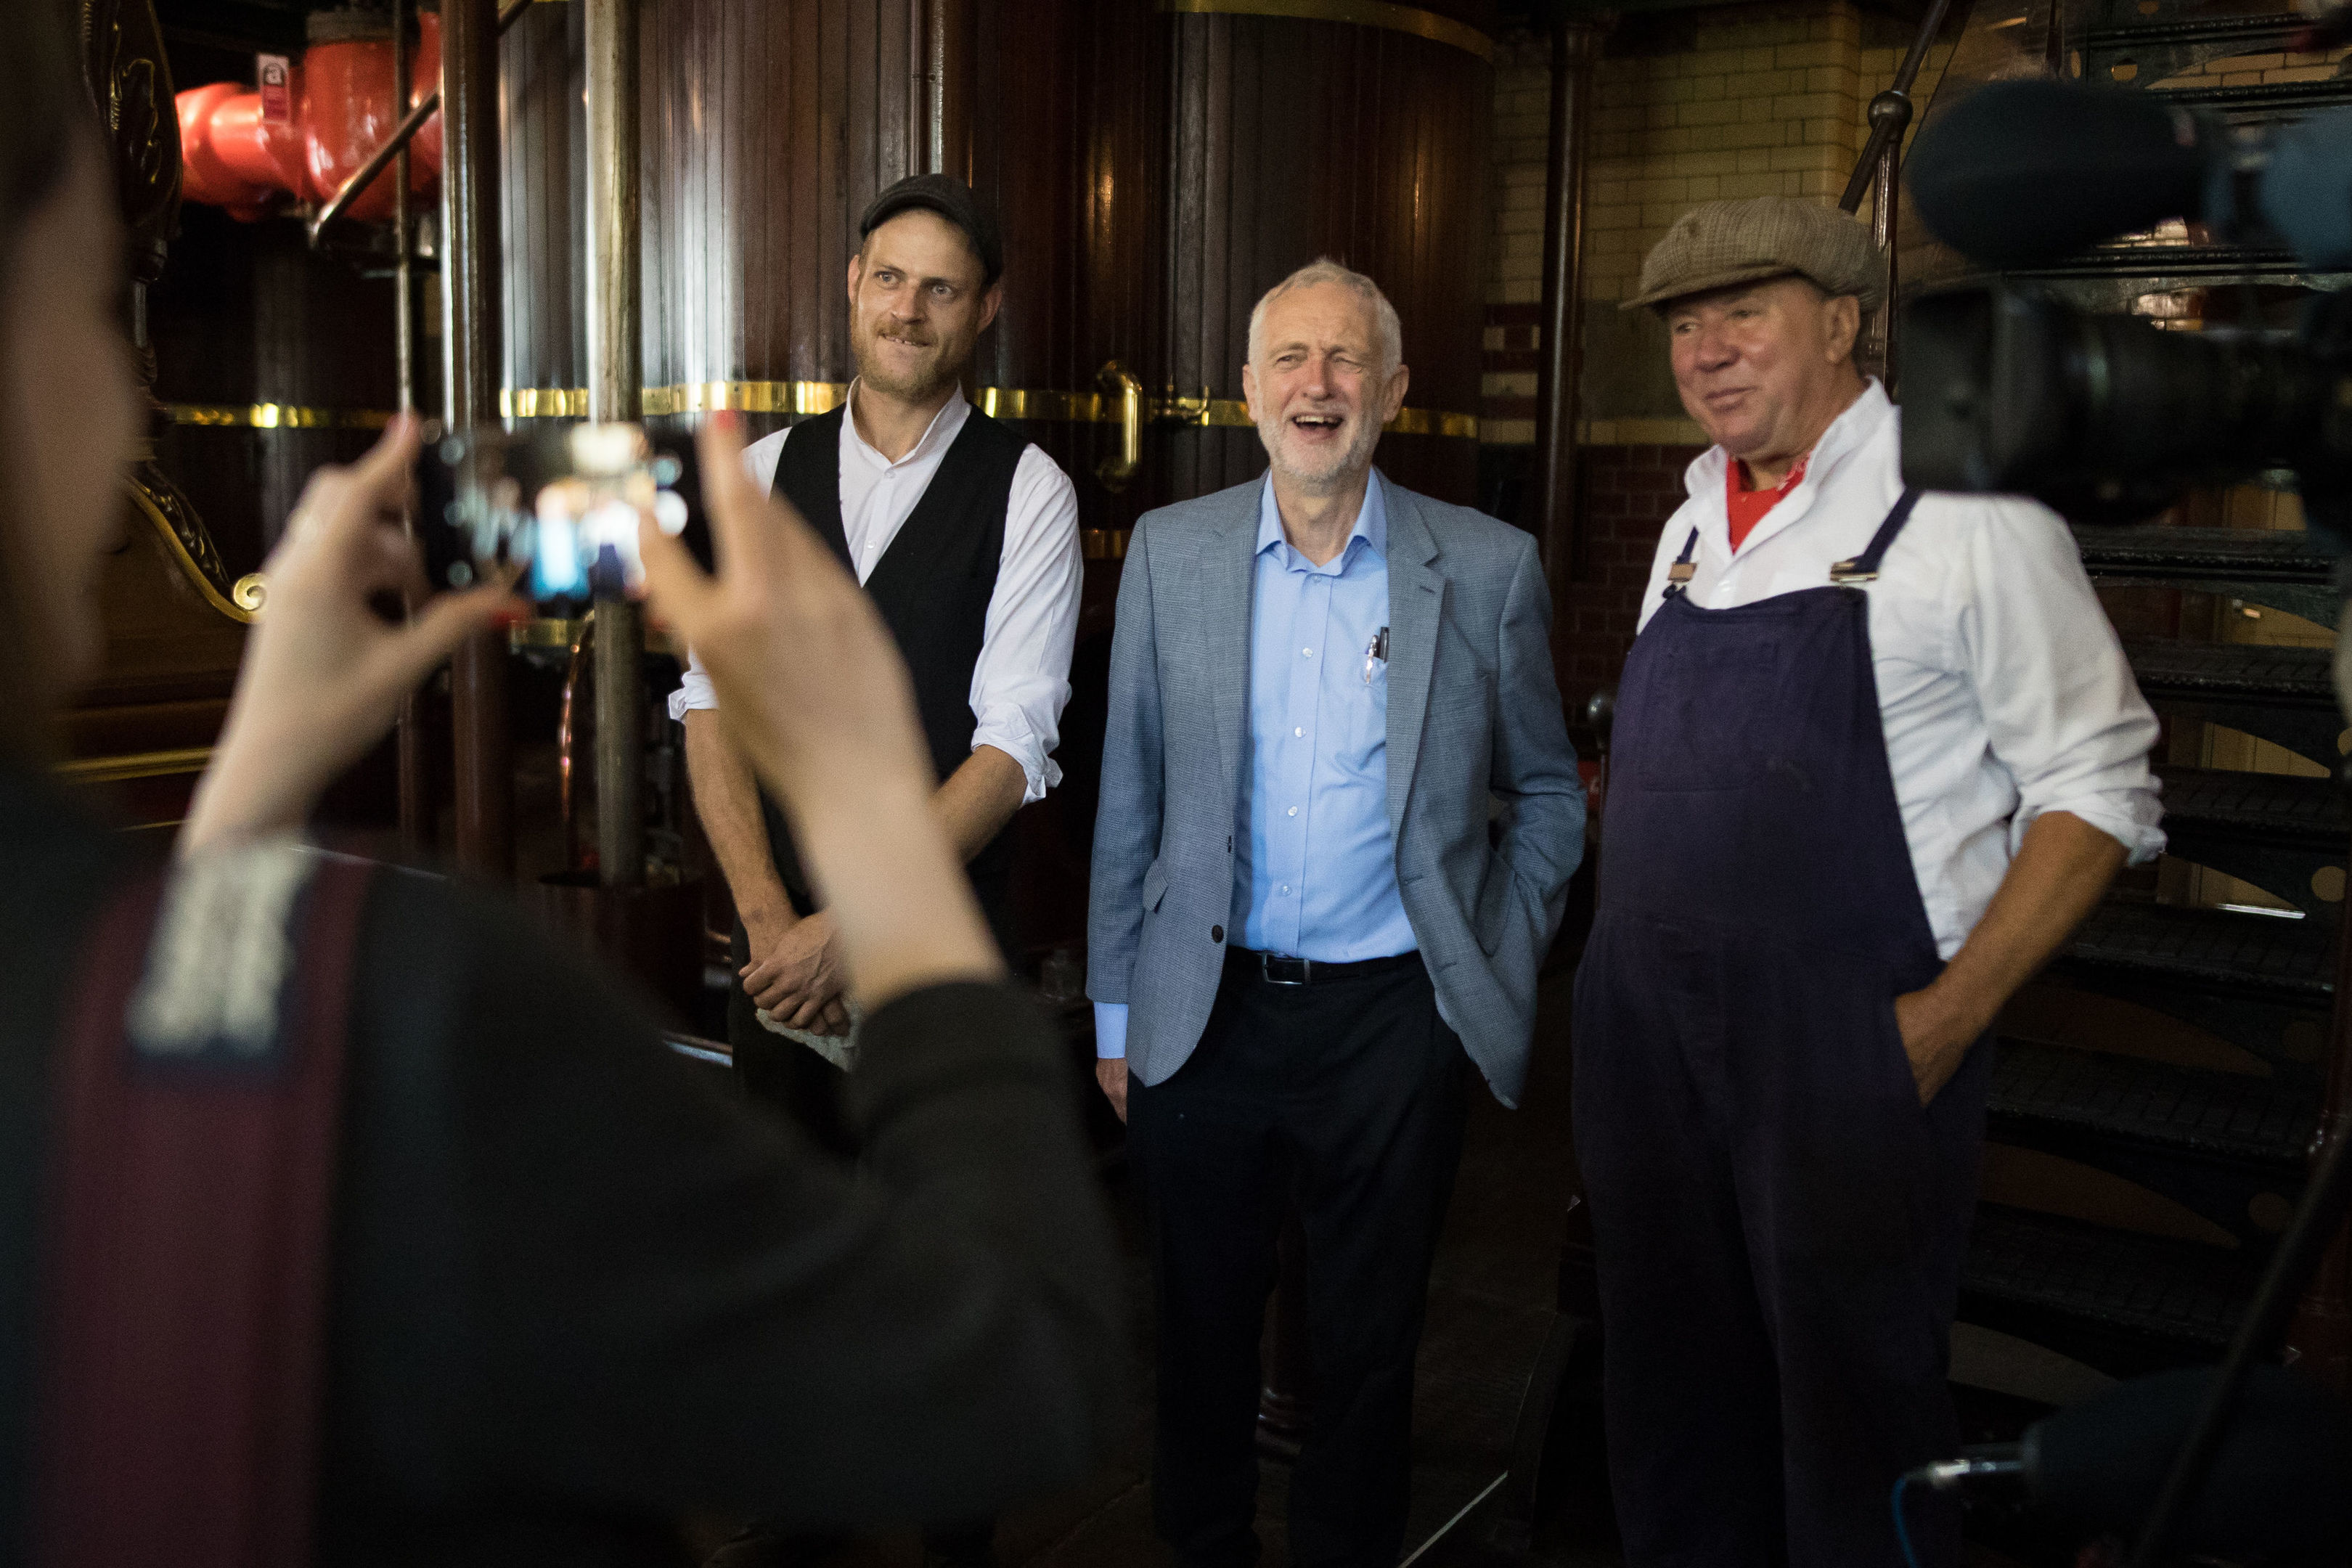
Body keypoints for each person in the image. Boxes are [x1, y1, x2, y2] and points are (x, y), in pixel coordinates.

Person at [0, 20, 1122, 1559]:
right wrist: (843, 831)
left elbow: (146, 1105)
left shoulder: (1028, 489)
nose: (133, 401)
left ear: (980, 312)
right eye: (90, 305)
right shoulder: (416, 1008)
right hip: (795, 968)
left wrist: (251, 784)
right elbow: (1012, 1360)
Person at [1575, 196, 2164, 1568]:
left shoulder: (1964, 508)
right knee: (1669, 1393)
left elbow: (2102, 788)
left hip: (1843, 1054)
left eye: (1744, 313)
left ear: (1844, 323)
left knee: (1858, 1419)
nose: (1707, 350)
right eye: (1682, 322)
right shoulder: (1686, 525)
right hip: (1646, 1050)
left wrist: (1940, 1025)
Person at [1086, 258, 1586, 1568]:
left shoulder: (1485, 569)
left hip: (1393, 1020)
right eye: (1293, 361)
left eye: (1348, 360)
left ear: (1396, 390)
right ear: (1248, 390)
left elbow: (1548, 792)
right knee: (1195, 1338)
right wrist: (1116, 1011)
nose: (1320, 386)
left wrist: (1494, 948)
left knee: (1369, 1353)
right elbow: (1128, 799)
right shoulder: (1172, 555)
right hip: (1207, 1014)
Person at [671, 173, 1082, 1143]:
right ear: (854, 283)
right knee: (790, 1266)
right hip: (779, 979)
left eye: (941, 289)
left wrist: (849, 928)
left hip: (944, 976)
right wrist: (770, 921)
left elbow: (1012, 750)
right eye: (891, 278)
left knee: (940, 1273)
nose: (908, 309)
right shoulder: (758, 477)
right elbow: (712, 706)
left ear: (987, 308)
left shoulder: (1029, 492)